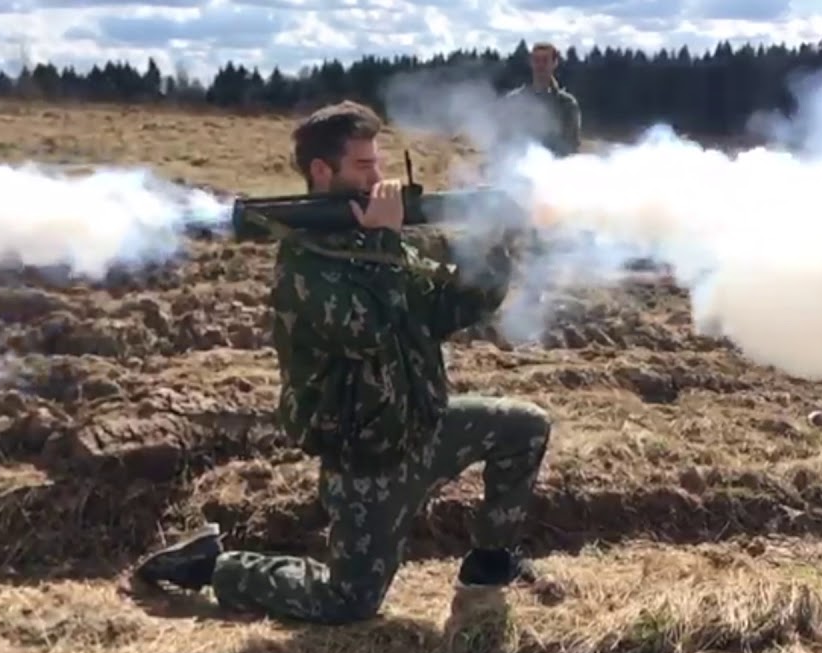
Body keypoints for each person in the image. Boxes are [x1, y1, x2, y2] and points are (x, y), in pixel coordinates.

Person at [131, 100, 553, 625]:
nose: (380, 179)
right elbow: (368, 334)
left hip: (425, 424)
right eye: (363, 166)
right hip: (369, 459)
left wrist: (494, 247)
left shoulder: (374, 242)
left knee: (525, 428)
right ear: (321, 171)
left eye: (378, 163)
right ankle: (216, 566)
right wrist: (383, 239)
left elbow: (449, 311)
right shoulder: (305, 265)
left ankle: (489, 566)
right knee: (347, 602)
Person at [502, 41, 581, 157]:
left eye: (545, 60)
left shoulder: (567, 104)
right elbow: (503, 140)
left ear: (554, 63)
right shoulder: (514, 101)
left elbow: (571, 146)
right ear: (531, 63)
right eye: (536, 60)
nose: (540, 65)